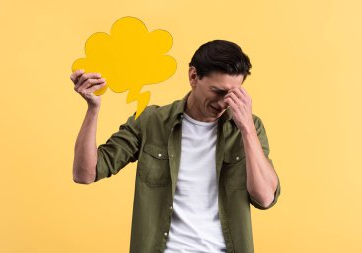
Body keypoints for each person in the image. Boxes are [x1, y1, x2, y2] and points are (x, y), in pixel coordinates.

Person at [71, 40, 281, 253]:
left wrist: (246, 129)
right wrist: (93, 109)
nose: (224, 102)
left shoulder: (249, 128)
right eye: (217, 91)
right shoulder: (150, 121)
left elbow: (264, 198)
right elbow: (85, 173)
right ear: (193, 76)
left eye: (234, 94)